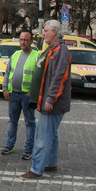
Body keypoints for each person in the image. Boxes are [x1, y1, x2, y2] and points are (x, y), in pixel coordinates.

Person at [21, 20, 71, 179]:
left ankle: (36, 169)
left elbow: (58, 78)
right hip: (47, 100)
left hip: (51, 102)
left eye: (46, 30)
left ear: (54, 32)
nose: (43, 33)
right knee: (51, 134)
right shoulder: (53, 49)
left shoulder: (60, 51)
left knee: (43, 136)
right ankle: (50, 163)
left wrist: (50, 99)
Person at [1, 30, 39, 160]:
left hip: (27, 96)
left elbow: (39, 77)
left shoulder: (37, 56)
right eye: (21, 39)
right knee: (12, 121)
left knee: (30, 123)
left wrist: (33, 92)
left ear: (31, 42)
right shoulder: (15, 54)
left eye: (26, 40)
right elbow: (7, 73)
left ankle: (28, 149)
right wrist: (5, 89)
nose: (23, 42)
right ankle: (9, 145)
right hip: (14, 94)